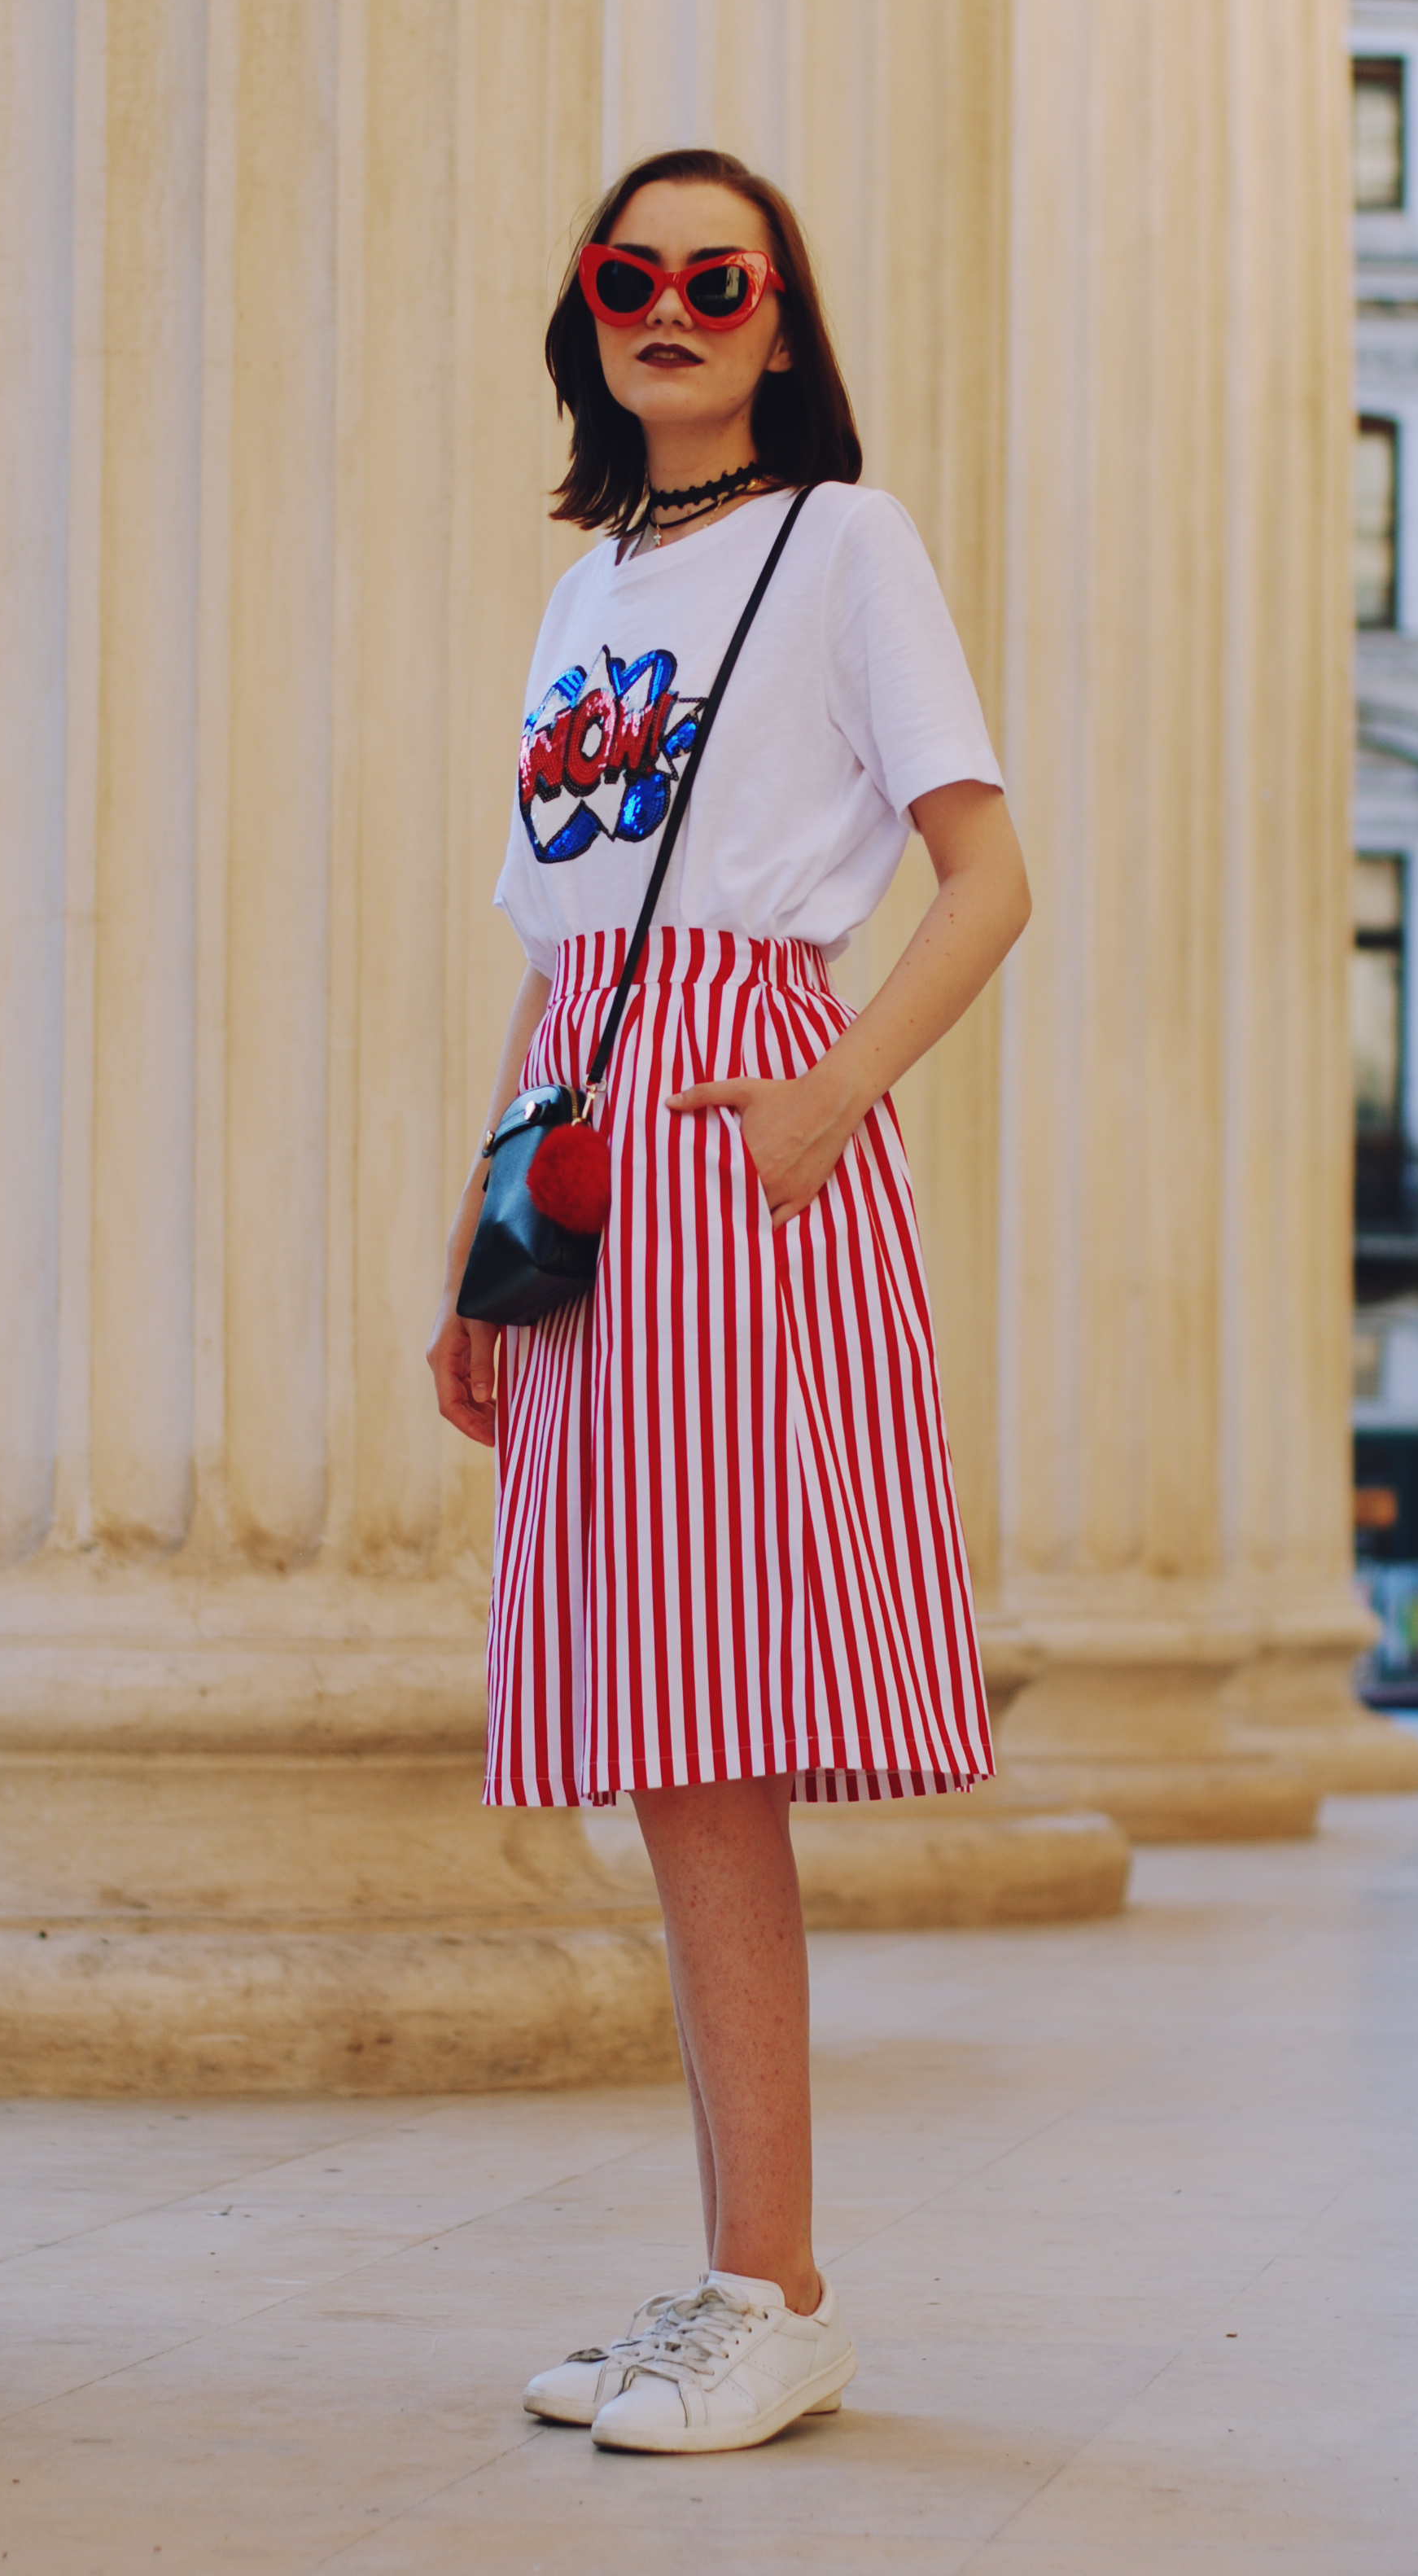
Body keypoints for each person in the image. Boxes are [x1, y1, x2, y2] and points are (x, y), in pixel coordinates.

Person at [426, 146, 1029, 2456]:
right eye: (632, 273)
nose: (671, 305)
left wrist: (823, 1098)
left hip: (740, 1141)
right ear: (591, 314)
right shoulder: (590, 589)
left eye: (721, 279)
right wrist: (479, 1261)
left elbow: (987, 877)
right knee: (660, 1742)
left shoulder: (843, 543)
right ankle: (731, 2276)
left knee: (707, 1749)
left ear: (780, 325)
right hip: (586, 1153)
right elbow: (556, 953)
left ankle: (770, 2288)